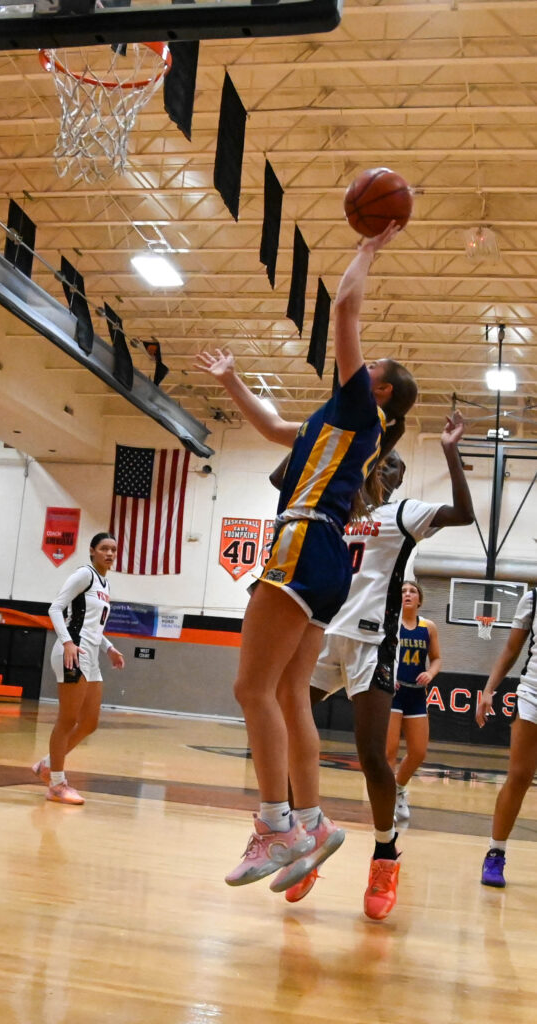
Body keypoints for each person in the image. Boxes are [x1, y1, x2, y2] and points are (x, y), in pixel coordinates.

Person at [194, 222, 418, 894]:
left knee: (251, 689)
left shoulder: (359, 410)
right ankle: (313, 822)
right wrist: (232, 381)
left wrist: (367, 250)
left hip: (301, 541)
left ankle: (275, 825)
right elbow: (272, 427)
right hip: (328, 563)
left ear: (380, 390)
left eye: (373, 368)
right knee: (291, 692)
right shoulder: (335, 425)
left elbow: (345, 310)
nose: (363, 365)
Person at [290, 415, 473, 917]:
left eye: (394, 464)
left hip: (372, 641)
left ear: (400, 477)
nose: (384, 467)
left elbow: (463, 512)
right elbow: (280, 478)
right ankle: (305, 839)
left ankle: (385, 854)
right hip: (323, 633)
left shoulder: (404, 511)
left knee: (372, 756)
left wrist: (450, 451)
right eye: (380, 460)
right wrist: (315, 433)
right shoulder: (339, 504)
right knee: (289, 734)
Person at [32, 531, 125, 805]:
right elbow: (55, 608)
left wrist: (109, 648)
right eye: (104, 548)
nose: (109, 553)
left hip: (91, 653)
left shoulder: (105, 584)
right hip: (72, 651)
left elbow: (94, 625)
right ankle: (56, 785)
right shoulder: (84, 575)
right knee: (68, 720)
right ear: (92, 551)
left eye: (113, 549)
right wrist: (67, 642)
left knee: (89, 722)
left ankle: (47, 765)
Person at [476, 587, 536, 888]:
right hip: (533, 694)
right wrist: (489, 689)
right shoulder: (533, 599)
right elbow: (511, 650)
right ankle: (495, 853)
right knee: (520, 776)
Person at [386, 580, 442, 822]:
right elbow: (378, 655)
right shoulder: (390, 624)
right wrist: (388, 675)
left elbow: (437, 658)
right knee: (389, 752)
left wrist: (430, 673)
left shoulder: (428, 627)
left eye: (412, 591)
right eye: (403, 591)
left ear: (419, 599)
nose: (407, 594)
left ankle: (399, 788)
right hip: (393, 693)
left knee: (418, 752)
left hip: (416, 694)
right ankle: (386, 801)